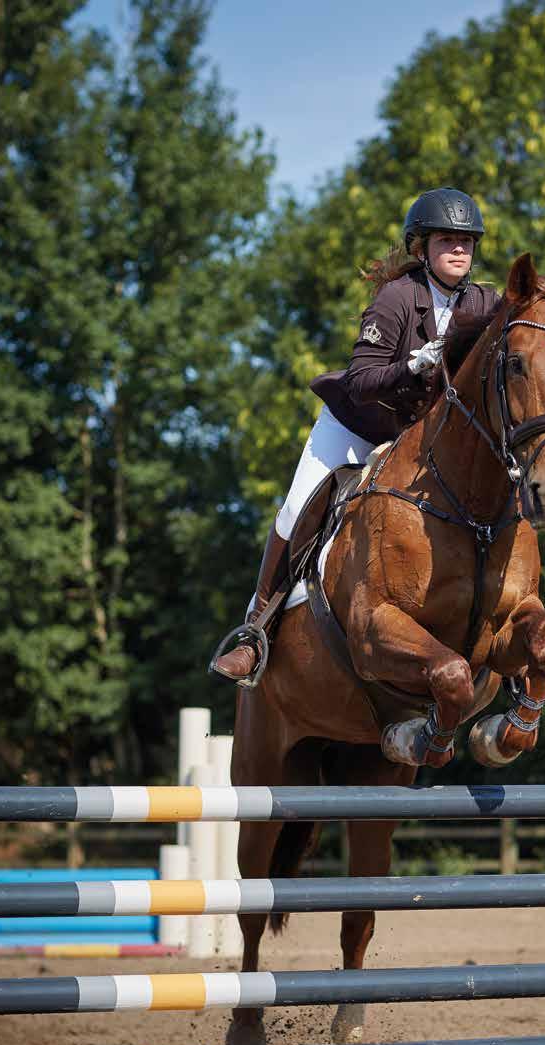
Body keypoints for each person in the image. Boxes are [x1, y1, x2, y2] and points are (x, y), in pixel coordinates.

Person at [211, 187, 501, 684]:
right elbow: (362, 381)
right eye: (447, 240)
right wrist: (413, 364)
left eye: (466, 242)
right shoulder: (397, 297)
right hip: (358, 425)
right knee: (296, 508)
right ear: (421, 248)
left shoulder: (484, 302)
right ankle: (256, 630)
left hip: (419, 442)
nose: (459, 250)